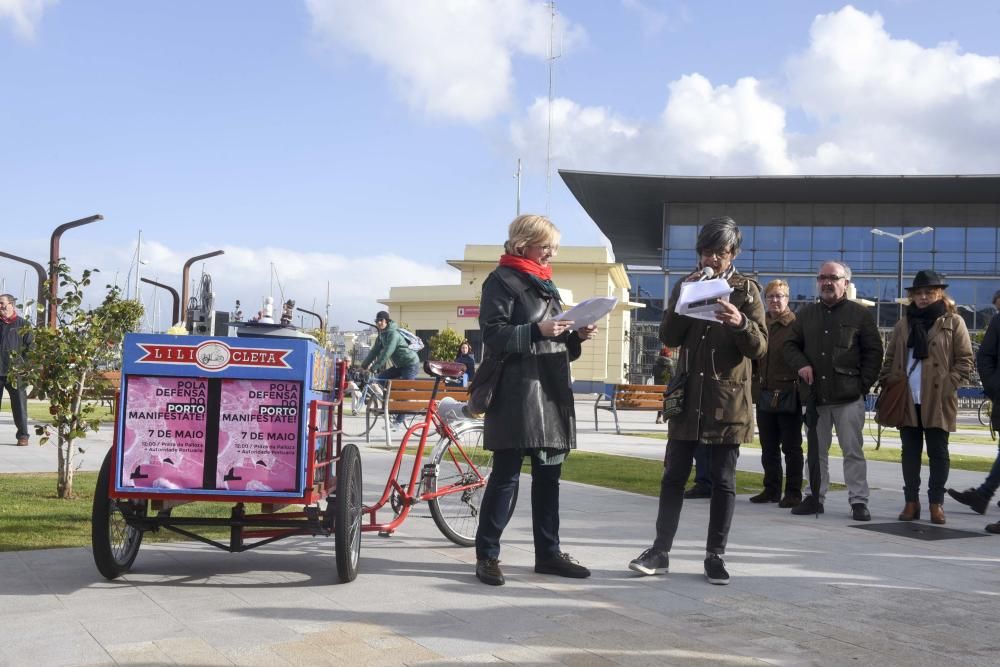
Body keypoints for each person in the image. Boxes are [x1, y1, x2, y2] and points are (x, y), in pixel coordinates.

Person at [629, 216, 766, 585]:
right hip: (688, 398)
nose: (710, 260)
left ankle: (715, 555)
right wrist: (680, 299)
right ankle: (660, 551)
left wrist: (740, 323)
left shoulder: (748, 291)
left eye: (718, 253)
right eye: (705, 252)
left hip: (727, 400)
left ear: (732, 253)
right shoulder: (686, 284)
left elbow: (760, 347)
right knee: (673, 476)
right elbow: (669, 334)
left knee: (723, 480)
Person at [474, 214, 598, 586]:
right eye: (546, 245)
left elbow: (555, 340)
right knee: (506, 475)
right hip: (517, 391)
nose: (551, 253)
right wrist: (536, 329)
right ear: (523, 242)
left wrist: (577, 335)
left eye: (553, 247)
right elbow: (492, 335)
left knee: (549, 477)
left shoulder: (545, 283)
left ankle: (548, 553)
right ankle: (488, 556)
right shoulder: (501, 280)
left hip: (551, 389)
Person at [784, 261, 883, 521]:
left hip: (849, 397)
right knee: (816, 452)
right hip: (815, 397)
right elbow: (789, 346)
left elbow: (874, 352)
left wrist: (862, 385)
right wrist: (802, 364)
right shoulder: (805, 314)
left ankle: (859, 501)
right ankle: (814, 497)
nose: (827, 282)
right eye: (822, 277)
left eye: (833, 277)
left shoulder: (860, 315)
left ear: (845, 283)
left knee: (853, 451)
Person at [879, 271, 973, 525]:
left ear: (939, 294)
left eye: (928, 293)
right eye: (918, 293)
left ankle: (936, 504)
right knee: (909, 453)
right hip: (906, 397)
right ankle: (911, 502)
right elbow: (889, 359)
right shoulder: (903, 324)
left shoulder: (953, 322)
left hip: (938, 398)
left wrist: (949, 383)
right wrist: (889, 379)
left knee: (938, 453)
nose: (922, 297)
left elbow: (965, 361)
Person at [948, 289, 1000, 533]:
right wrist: (994, 386)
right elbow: (985, 357)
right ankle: (983, 494)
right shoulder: (998, 321)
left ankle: (983, 494)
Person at [749, 279, 804, 508]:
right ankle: (771, 489)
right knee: (768, 446)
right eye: (770, 296)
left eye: (779, 296)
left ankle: (792, 492)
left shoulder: (796, 325)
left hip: (789, 392)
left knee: (791, 447)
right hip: (765, 391)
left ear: (787, 299)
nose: (774, 300)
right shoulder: (760, 324)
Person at [360, 310, 420, 428]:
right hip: (400, 366)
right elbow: (374, 352)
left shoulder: (393, 334)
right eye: (377, 321)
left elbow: (387, 353)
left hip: (410, 364)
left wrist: (372, 368)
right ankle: (394, 401)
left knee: (404, 392)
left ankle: (398, 421)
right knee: (379, 379)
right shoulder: (382, 335)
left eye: (381, 321)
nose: (379, 323)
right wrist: (363, 366)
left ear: (386, 321)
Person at [0, 294, 32, 446]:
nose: (0, 307)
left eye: (2, 303)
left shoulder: (23, 325)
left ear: (11, 304)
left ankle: (23, 436)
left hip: (16, 373)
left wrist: (25, 367)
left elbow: (31, 349)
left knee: (19, 406)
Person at [652, 347, 674, 424]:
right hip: (667, 390)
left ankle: (658, 418)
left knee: (661, 400)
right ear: (668, 355)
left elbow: (653, 375)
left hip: (657, 390)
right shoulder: (670, 366)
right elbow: (673, 377)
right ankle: (667, 418)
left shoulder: (655, 365)